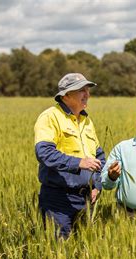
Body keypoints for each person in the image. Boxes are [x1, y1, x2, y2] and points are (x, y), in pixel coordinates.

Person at [34, 73, 105, 238]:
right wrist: (79, 162)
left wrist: (97, 185)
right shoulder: (50, 117)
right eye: (81, 90)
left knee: (83, 252)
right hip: (58, 200)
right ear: (66, 95)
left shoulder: (86, 121)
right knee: (58, 252)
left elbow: (99, 157)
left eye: (88, 90)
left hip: (86, 200)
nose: (87, 94)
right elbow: (44, 153)